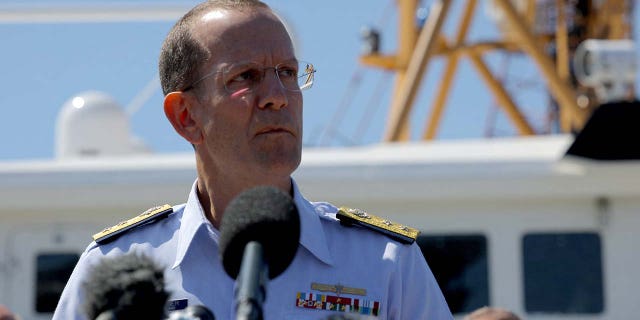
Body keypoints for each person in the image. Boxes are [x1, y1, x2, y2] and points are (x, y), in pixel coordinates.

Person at [53, 1, 452, 319]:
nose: (277, 95)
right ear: (186, 117)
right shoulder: (113, 272)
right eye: (245, 77)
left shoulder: (386, 265)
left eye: (288, 72)